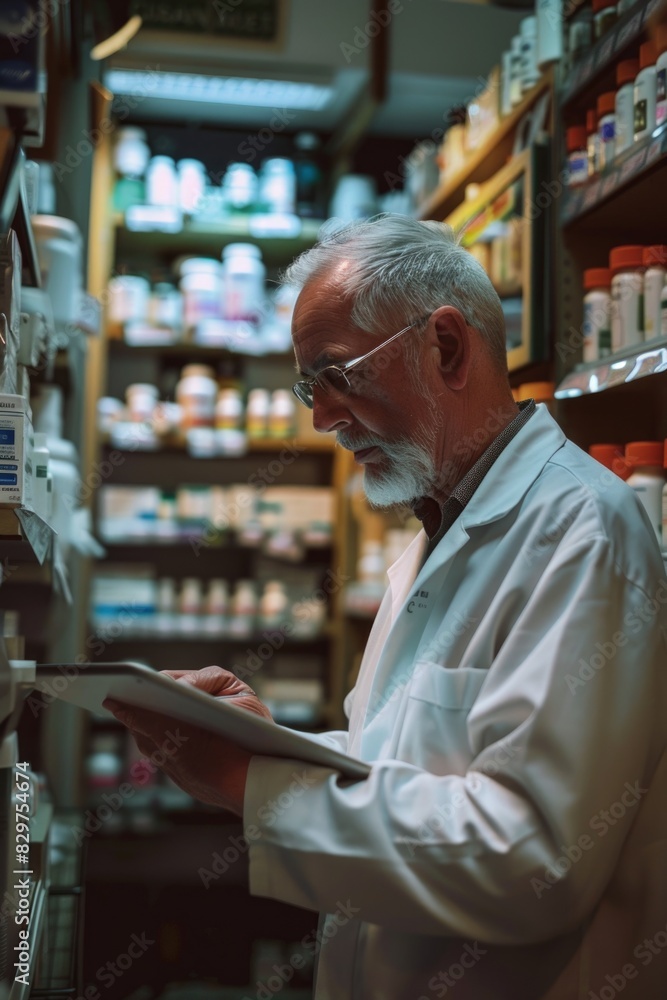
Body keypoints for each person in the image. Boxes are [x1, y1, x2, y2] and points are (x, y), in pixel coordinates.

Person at [107, 217, 667, 1000]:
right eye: (310, 388)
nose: (322, 418)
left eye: (337, 375)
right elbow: (417, 767)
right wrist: (273, 749)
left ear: (443, 347)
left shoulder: (583, 532)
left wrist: (248, 784)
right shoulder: (442, 529)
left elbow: (533, 856)